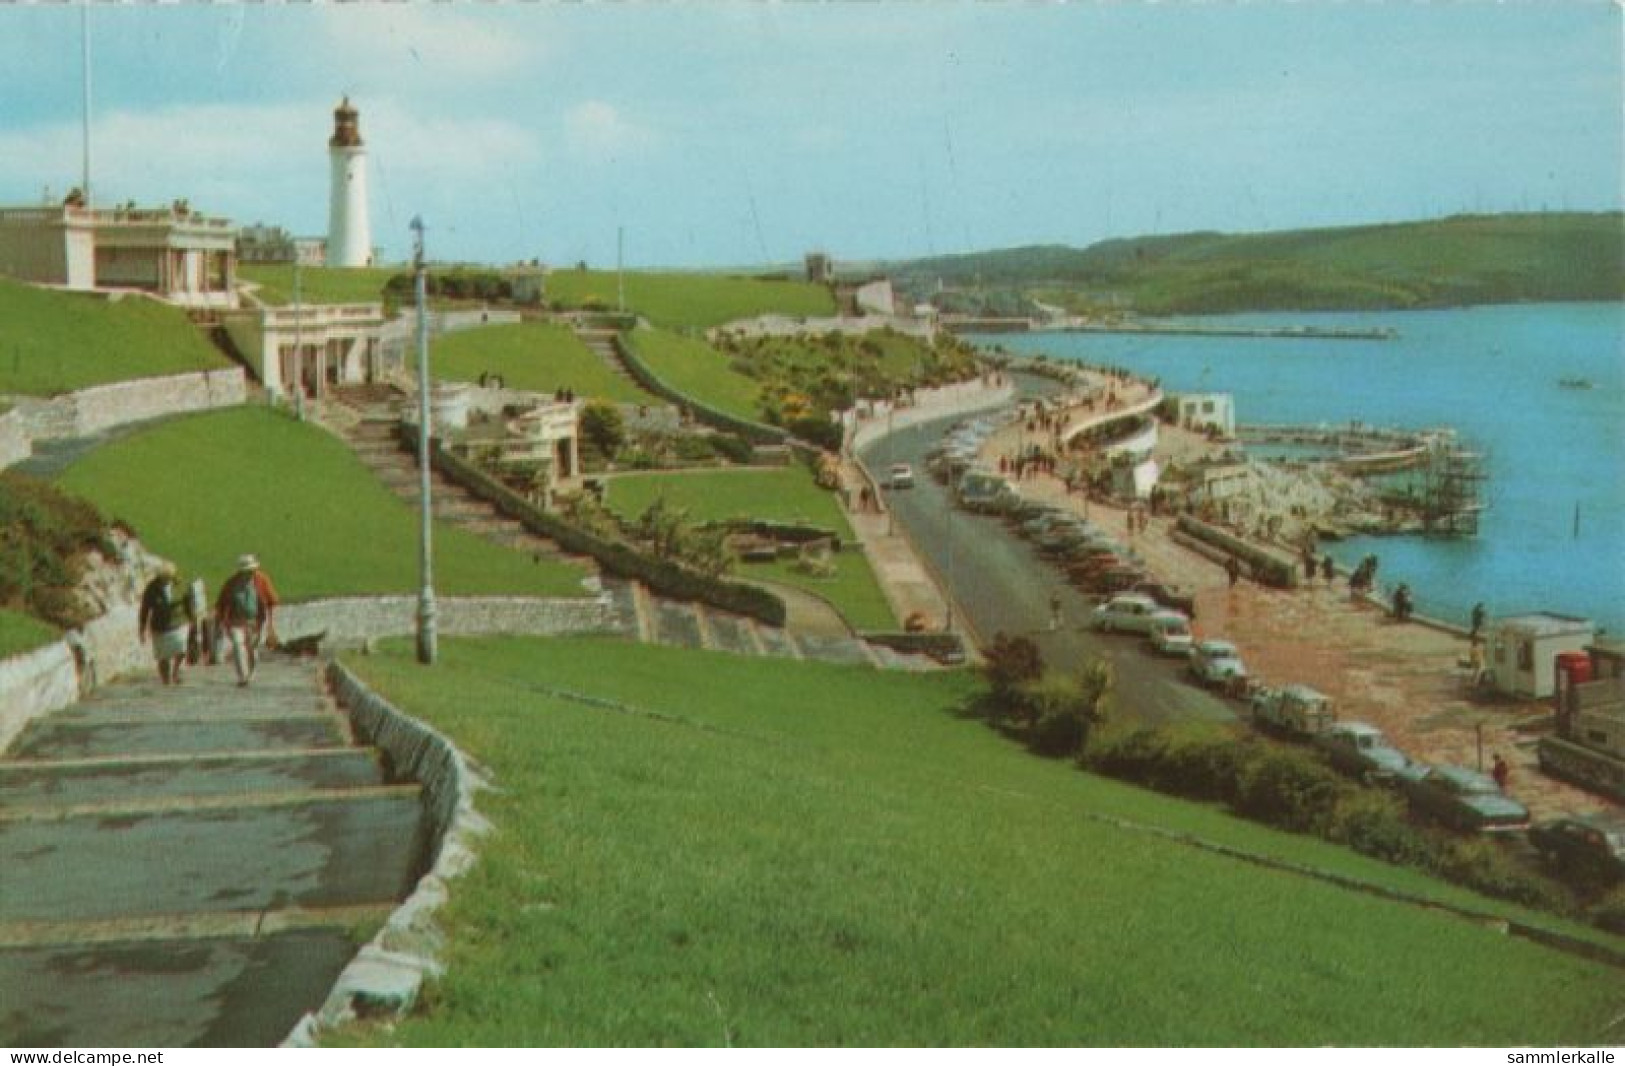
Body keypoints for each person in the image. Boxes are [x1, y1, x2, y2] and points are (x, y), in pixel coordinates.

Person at [216, 554, 279, 687]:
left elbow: (272, 600)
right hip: (235, 621)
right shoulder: (231, 583)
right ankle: (242, 676)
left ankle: (249, 673)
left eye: (251, 571)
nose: (249, 573)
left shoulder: (262, 580)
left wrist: (270, 625)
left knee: (251, 650)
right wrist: (221, 623)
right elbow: (221, 603)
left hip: (254, 622)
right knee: (238, 645)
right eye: (246, 571)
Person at [138, 563, 194, 685]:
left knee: (181, 649)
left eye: (167, 577)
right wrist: (142, 629)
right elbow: (145, 609)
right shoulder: (151, 588)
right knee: (163, 656)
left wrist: (192, 619)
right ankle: (166, 681)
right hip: (160, 627)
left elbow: (188, 603)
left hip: (178, 623)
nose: (165, 580)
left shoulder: (180, 585)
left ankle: (176, 671)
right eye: (163, 578)